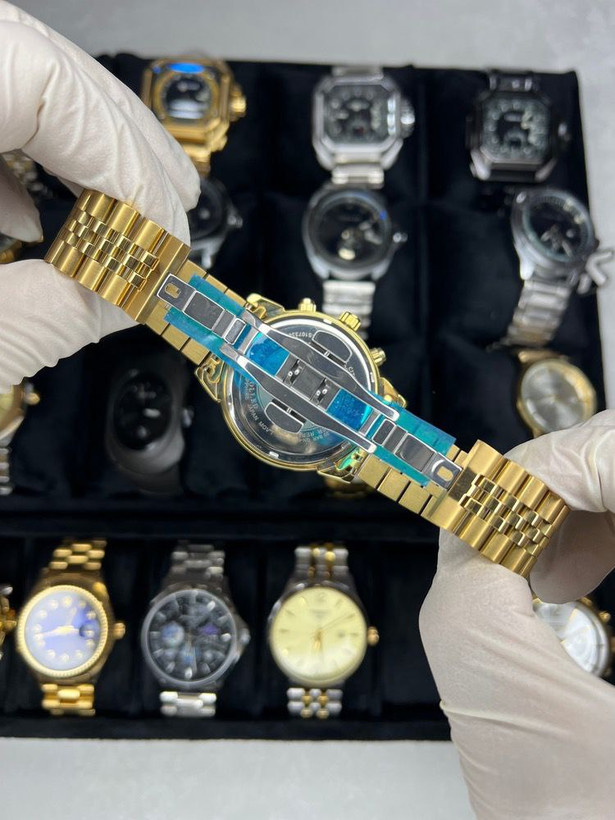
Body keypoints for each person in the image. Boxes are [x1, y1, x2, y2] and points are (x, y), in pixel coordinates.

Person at [0, 4, 614, 817]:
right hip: (285, 380)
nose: (296, 382)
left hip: (332, 409)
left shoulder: (294, 395)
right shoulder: (283, 386)